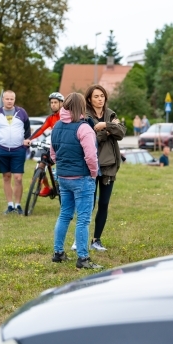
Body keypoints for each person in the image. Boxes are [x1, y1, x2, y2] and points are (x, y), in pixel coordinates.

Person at [50, 93, 102, 269]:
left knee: (65, 214)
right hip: (82, 178)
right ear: (82, 108)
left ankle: (58, 253)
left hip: (63, 177)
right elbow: (91, 156)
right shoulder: (84, 128)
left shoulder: (56, 126)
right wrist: (93, 174)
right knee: (83, 219)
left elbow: (53, 154)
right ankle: (83, 258)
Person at [75, 84, 126, 252]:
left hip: (109, 166)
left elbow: (121, 133)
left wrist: (104, 125)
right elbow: (93, 138)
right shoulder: (84, 116)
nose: (100, 99)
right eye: (96, 96)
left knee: (103, 203)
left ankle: (96, 240)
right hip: (90, 165)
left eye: (102, 96)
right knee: (87, 204)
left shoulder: (111, 114)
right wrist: (109, 130)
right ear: (89, 99)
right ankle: (79, 239)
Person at [0, 90, 31, 215]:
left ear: (14, 99)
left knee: (18, 178)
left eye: (11, 99)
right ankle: (10, 205)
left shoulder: (22, 112)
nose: (9, 101)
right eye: (7, 99)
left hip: (18, 150)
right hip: (1, 150)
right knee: (6, 177)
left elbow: (27, 130)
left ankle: (18, 204)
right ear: (3, 99)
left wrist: (26, 142)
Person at [24, 92, 64, 197]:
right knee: (42, 163)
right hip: (53, 147)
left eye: (56, 102)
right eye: (51, 103)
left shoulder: (66, 117)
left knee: (62, 173)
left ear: (61, 104)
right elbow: (41, 129)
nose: (53, 105)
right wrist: (29, 139)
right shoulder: (50, 118)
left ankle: (61, 187)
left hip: (64, 149)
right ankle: (47, 187)